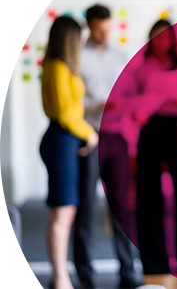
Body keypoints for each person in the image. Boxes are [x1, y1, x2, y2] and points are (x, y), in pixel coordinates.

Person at [74, 4, 140, 289]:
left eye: (107, 28)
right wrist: (96, 105)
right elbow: (73, 102)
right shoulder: (76, 58)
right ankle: (84, 275)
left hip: (117, 138)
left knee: (121, 209)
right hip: (89, 137)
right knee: (85, 209)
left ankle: (128, 271)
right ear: (89, 26)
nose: (104, 34)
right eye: (99, 29)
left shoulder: (120, 56)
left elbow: (132, 94)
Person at [134, 20, 177, 282]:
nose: (161, 42)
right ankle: (154, 262)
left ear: (172, 40)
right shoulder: (142, 67)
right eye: (156, 37)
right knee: (149, 198)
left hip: (175, 127)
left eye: (165, 37)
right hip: (150, 129)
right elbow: (135, 99)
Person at [40, 16, 99, 289]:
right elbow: (65, 113)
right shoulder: (55, 67)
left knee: (67, 212)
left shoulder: (63, 67)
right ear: (69, 39)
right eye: (80, 36)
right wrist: (89, 132)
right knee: (62, 213)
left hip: (67, 140)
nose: (83, 41)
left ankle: (59, 276)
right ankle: (61, 279)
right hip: (62, 139)